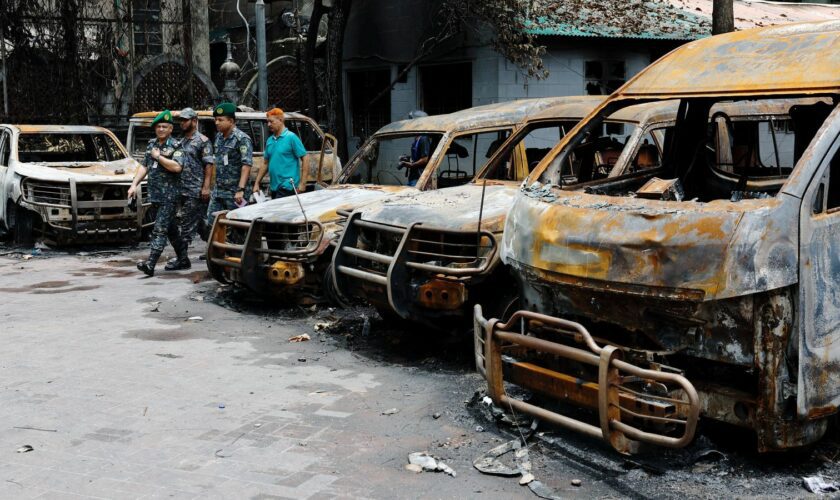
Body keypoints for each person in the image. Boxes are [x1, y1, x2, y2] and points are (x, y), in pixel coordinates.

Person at [127, 110, 186, 276]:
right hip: (155, 195)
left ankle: (150, 264)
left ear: (170, 129)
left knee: (159, 229)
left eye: (164, 126)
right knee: (171, 229)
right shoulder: (152, 144)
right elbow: (144, 166)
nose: (160, 129)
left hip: (169, 196)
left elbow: (177, 167)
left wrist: (159, 157)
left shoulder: (176, 146)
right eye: (158, 126)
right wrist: (133, 185)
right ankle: (183, 258)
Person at [166, 108, 213, 270]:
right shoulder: (180, 141)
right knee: (200, 224)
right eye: (181, 120)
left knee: (186, 225)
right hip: (181, 189)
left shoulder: (203, 141)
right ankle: (218, 246)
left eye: (185, 120)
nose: (182, 123)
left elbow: (208, 165)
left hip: (195, 190)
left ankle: (183, 259)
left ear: (194, 121)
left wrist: (206, 187)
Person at [205, 102, 254, 230]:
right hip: (219, 190)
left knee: (236, 227)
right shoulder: (219, 137)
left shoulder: (242, 139)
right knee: (212, 222)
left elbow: (246, 164)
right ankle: (219, 250)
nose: (216, 122)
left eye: (220, 120)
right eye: (215, 119)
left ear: (231, 121)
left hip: (235, 192)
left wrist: (240, 189)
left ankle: (239, 250)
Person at [253, 107, 307, 199]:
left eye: (271, 121)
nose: (269, 124)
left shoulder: (291, 137)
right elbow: (266, 163)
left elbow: (305, 158)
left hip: (288, 186)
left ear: (280, 120)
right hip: (274, 186)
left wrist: (303, 183)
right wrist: (257, 183)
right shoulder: (270, 140)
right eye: (267, 122)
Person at [399, 110, 430, 187]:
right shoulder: (417, 137)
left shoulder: (423, 138)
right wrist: (408, 159)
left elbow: (425, 159)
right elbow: (418, 157)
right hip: (413, 176)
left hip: (419, 177)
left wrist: (412, 165)